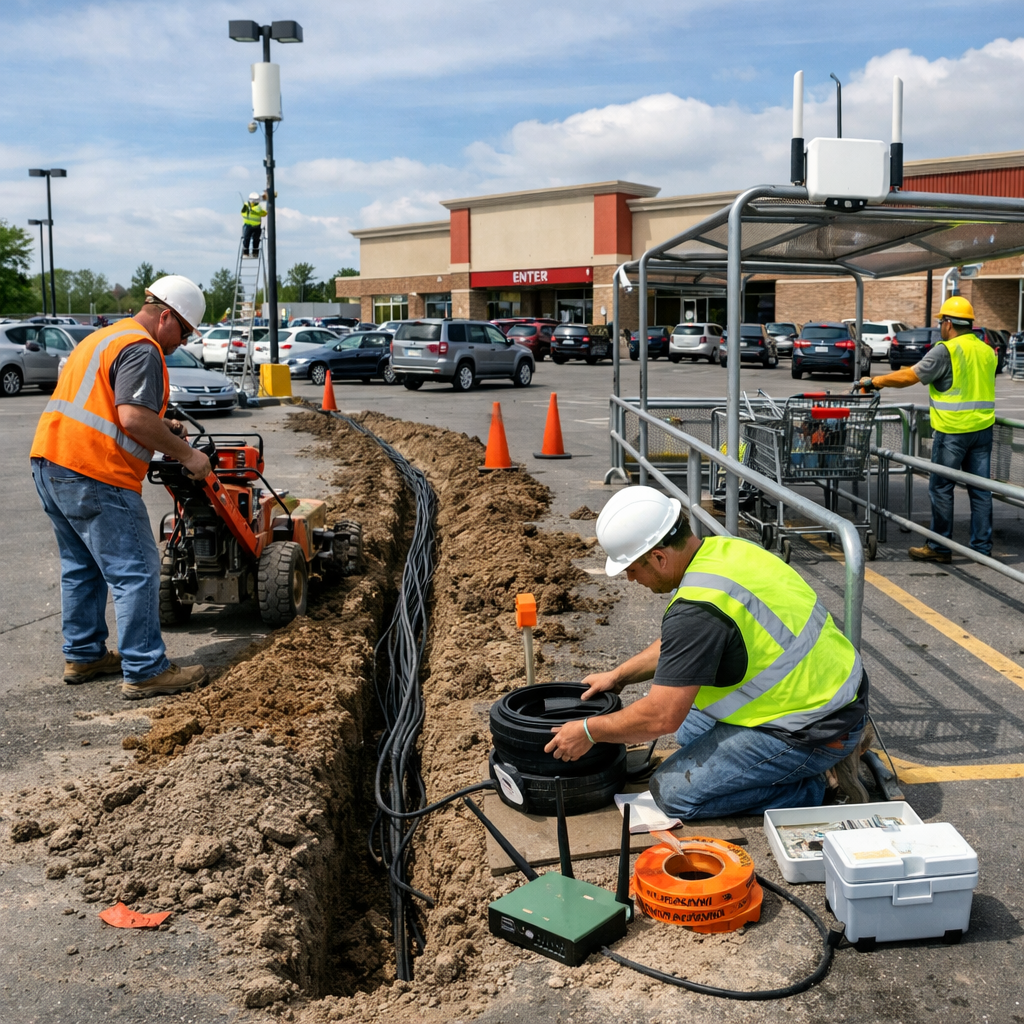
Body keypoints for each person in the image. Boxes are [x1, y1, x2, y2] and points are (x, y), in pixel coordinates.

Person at [544, 486, 870, 819]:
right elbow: (684, 647)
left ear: (659, 557)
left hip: (814, 731)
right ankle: (806, 763)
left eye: (631, 568)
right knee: (689, 731)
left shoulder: (696, 611)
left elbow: (661, 716)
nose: (629, 578)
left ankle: (816, 785)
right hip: (831, 697)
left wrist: (588, 731)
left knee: (672, 793)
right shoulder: (726, 550)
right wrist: (619, 676)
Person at [30, 276, 213, 700]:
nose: (181, 342)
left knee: (82, 566)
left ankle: (84, 653)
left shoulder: (105, 337)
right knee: (137, 570)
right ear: (165, 315)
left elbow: (101, 402)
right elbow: (131, 418)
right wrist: (188, 456)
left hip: (50, 461)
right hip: (95, 470)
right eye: (183, 331)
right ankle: (146, 668)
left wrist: (161, 422)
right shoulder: (143, 348)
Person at [859, 295, 996, 564]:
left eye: (940, 322)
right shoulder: (986, 350)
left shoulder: (946, 350)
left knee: (941, 487)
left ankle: (939, 546)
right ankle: (982, 548)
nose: (939, 327)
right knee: (981, 490)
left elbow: (910, 375)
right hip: (983, 430)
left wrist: (875, 381)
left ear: (948, 323)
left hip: (953, 431)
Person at [241, 192, 267, 258]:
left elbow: (263, 213)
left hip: (253, 226)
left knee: (253, 240)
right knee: (249, 239)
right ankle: (247, 253)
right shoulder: (247, 205)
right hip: (251, 226)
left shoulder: (255, 207)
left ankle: (253, 253)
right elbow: (263, 213)